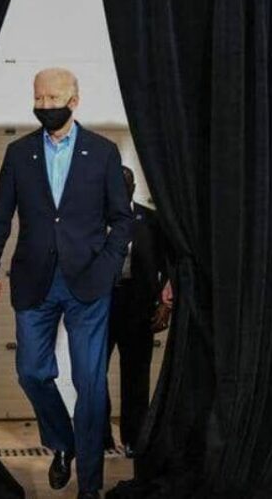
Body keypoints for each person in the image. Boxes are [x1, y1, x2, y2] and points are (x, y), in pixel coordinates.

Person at [0, 68, 133, 499]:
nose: (44, 105)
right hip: (34, 281)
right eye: (38, 98)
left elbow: (122, 219)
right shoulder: (18, 153)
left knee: (90, 383)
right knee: (31, 371)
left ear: (74, 100)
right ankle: (63, 442)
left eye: (52, 98)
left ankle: (91, 486)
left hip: (89, 283)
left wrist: (108, 265)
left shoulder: (102, 152)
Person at [104, 167, 171, 457]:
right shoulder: (94, 217)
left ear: (133, 188)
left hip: (138, 306)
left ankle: (133, 438)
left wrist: (166, 304)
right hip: (101, 305)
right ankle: (100, 437)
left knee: (136, 375)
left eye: (126, 185)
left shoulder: (151, 220)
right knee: (93, 373)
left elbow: (168, 265)